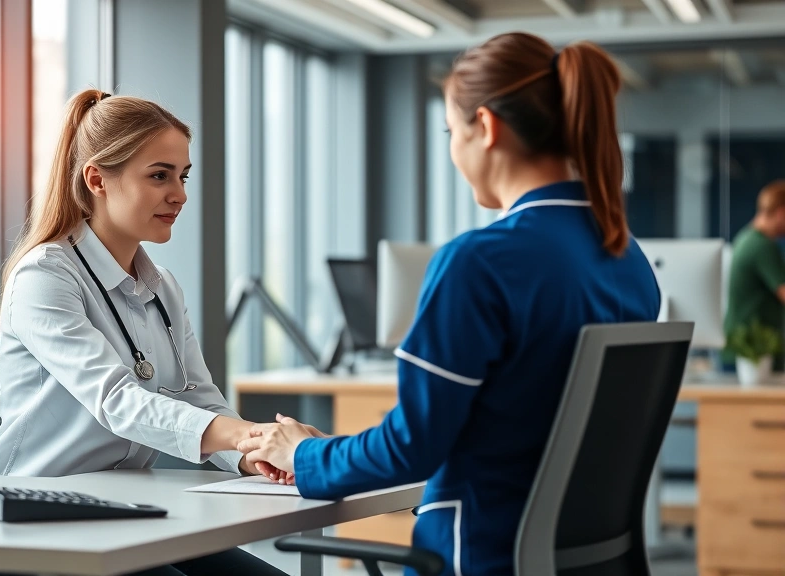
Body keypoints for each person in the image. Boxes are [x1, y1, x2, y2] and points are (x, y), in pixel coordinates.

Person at [238, 32, 661, 576]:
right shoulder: (627, 261)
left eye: (450, 130)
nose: (452, 148)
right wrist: (338, 451)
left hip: (478, 554)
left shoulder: (481, 262)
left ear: (485, 127)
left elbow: (412, 447)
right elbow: (515, 433)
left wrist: (301, 454)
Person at [0, 89, 287, 576]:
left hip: (127, 513)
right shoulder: (44, 277)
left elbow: (200, 400)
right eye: (159, 175)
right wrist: (253, 433)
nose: (180, 194)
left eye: (182, 176)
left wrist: (256, 455)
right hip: (38, 519)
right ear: (97, 179)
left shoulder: (163, 287)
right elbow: (117, 401)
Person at [723, 180, 785, 371]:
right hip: (751, 355)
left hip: (745, 352)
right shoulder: (763, 247)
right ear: (781, 212)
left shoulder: (745, 238)